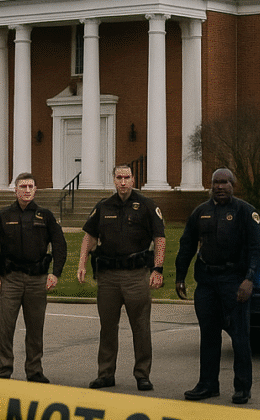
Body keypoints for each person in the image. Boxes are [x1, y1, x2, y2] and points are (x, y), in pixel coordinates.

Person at [175, 167, 260, 405]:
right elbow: (187, 245)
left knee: (239, 337)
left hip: (234, 281)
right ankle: (207, 384)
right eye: (216, 182)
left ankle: (242, 387)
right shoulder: (200, 212)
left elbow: (257, 249)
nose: (220, 186)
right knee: (209, 335)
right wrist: (180, 276)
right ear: (211, 185)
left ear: (233, 185)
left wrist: (250, 279)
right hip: (206, 282)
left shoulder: (245, 212)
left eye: (225, 182)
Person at [77, 164, 166, 391]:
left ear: (133, 180)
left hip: (136, 276)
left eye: (127, 177)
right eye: (119, 177)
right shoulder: (103, 206)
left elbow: (160, 238)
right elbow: (89, 237)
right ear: (114, 180)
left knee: (141, 326)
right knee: (107, 327)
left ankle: (142, 374)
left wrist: (158, 269)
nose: (123, 182)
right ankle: (105, 374)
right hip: (108, 278)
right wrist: (82, 264)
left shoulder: (147, 206)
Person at [0, 172, 67, 383]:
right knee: (6, 327)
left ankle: (34, 371)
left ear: (35, 190)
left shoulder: (46, 216)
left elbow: (60, 245)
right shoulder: (3, 216)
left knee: (35, 328)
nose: (27, 190)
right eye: (23, 187)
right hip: (10, 279)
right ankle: (4, 369)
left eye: (30, 186)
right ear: (15, 190)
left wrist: (55, 273)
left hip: (37, 280)